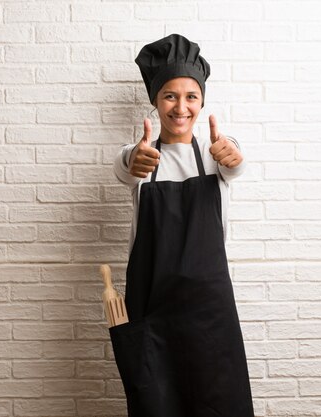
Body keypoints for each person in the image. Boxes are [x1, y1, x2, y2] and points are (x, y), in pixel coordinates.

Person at [109, 33, 254, 417]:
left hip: (209, 313)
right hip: (152, 311)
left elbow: (235, 163)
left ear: (202, 101)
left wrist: (232, 155)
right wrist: (135, 159)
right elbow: (125, 166)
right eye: (170, 96)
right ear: (156, 102)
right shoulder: (141, 157)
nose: (181, 106)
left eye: (191, 96)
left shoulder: (216, 154)